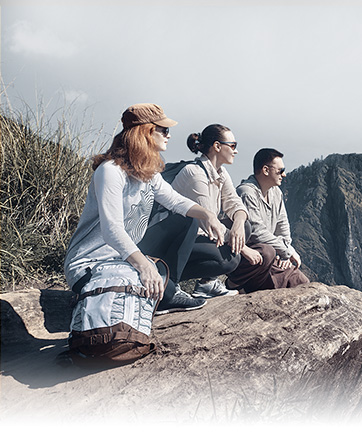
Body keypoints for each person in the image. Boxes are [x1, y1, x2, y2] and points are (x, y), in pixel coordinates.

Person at [63, 103, 225, 364]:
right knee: (157, 280)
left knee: (188, 221)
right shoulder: (110, 172)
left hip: (122, 260)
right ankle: (163, 293)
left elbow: (176, 201)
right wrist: (144, 265)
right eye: (163, 130)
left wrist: (208, 215)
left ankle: (163, 291)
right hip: (90, 265)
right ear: (145, 133)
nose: (168, 135)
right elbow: (111, 228)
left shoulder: (148, 173)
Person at [167, 124, 276, 298]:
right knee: (230, 260)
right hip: (176, 242)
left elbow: (235, 204)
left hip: (199, 235)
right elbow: (210, 224)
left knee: (245, 227)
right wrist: (244, 249)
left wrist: (239, 223)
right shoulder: (195, 174)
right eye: (232, 146)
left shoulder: (221, 173)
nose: (236, 151)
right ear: (217, 146)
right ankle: (171, 281)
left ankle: (207, 284)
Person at [235, 148, 310, 289]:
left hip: (274, 254)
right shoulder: (246, 193)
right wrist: (286, 251)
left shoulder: (276, 193)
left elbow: (283, 226)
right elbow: (257, 232)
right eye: (280, 170)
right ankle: (236, 285)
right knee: (272, 268)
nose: (284, 174)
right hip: (253, 257)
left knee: (301, 282)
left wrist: (285, 255)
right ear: (265, 170)